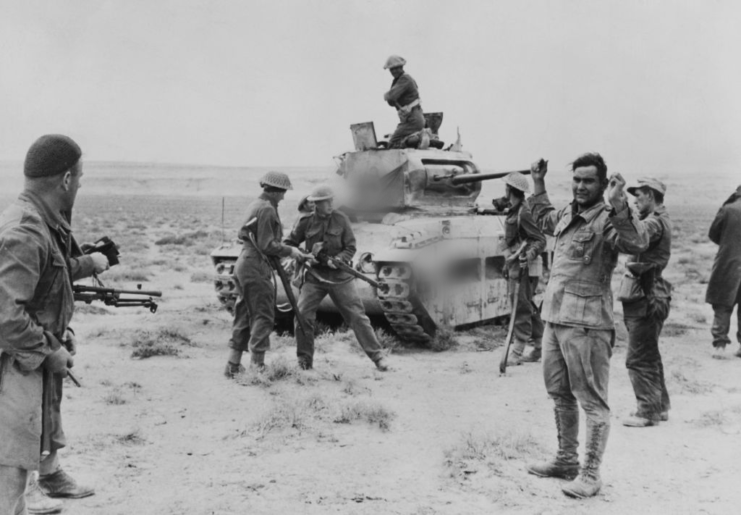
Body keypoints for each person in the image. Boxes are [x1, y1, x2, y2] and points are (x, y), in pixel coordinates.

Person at [525, 154, 649, 499]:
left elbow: (637, 243)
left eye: (589, 181)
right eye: (577, 180)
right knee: (560, 394)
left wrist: (620, 204)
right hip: (555, 317)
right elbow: (544, 218)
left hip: (587, 324)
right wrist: (538, 182)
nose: (581, 186)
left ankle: (591, 473)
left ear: (601, 183)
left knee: (592, 401)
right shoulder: (568, 213)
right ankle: (566, 460)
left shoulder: (608, 219)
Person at [0, 135, 109, 515]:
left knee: (24, 445)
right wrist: (49, 351)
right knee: (11, 459)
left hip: (23, 355)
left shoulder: (42, 224)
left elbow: (46, 282)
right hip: (15, 360)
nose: (79, 184)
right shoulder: (26, 230)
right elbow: (5, 316)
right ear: (65, 180)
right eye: (78, 177)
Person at [284, 185, 389, 372]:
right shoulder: (305, 221)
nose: (331, 204)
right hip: (314, 276)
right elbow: (289, 243)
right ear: (316, 204)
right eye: (326, 201)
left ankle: (378, 357)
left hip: (340, 276)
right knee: (303, 316)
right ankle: (304, 361)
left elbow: (350, 247)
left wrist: (340, 259)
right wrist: (303, 255)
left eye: (332, 200)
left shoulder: (341, 219)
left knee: (357, 316)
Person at [224, 171, 309, 377]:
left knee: (244, 314)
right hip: (255, 265)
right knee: (263, 314)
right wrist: (291, 251)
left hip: (245, 262)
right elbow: (266, 244)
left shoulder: (256, 205)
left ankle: (233, 364)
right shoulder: (267, 209)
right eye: (283, 192)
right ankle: (258, 366)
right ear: (276, 190)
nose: (284, 196)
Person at [619, 178, 673, 427]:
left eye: (639, 195)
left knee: (638, 357)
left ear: (651, 195)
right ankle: (659, 406)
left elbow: (637, 235)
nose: (635, 199)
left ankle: (647, 411)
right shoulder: (660, 219)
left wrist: (619, 210)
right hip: (652, 292)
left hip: (646, 294)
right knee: (649, 353)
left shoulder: (653, 222)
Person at [501, 172, 546, 366]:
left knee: (521, 306)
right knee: (529, 306)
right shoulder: (514, 209)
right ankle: (540, 346)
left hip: (525, 267)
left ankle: (518, 350)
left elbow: (539, 240)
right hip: (515, 264)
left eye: (506, 187)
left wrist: (528, 256)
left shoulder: (524, 212)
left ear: (511, 189)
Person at [705, 185, 741, 356]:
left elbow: (713, 233)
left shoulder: (728, 209)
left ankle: (720, 346)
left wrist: (728, 244)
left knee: (722, 305)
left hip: (728, 263)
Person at [383, 55, 425, 149]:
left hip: (412, 120)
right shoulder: (398, 80)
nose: (394, 71)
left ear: (401, 67)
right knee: (401, 141)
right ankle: (414, 140)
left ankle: (418, 139)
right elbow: (391, 101)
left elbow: (390, 96)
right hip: (410, 119)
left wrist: (387, 95)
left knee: (392, 143)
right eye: (392, 69)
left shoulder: (405, 79)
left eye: (396, 68)